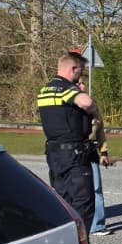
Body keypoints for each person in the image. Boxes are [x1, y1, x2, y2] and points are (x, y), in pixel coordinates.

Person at [38, 52, 100, 230]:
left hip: (54, 153)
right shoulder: (66, 88)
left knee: (64, 201)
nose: (81, 75)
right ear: (73, 69)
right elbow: (86, 103)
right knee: (83, 202)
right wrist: (94, 111)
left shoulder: (45, 90)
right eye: (81, 71)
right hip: (74, 153)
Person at [80, 76, 115, 236]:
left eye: (83, 82)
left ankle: (98, 224)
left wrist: (104, 152)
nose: (82, 85)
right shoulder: (67, 106)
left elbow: (100, 131)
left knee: (96, 189)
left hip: (91, 151)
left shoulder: (92, 105)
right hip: (74, 153)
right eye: (78, 83)